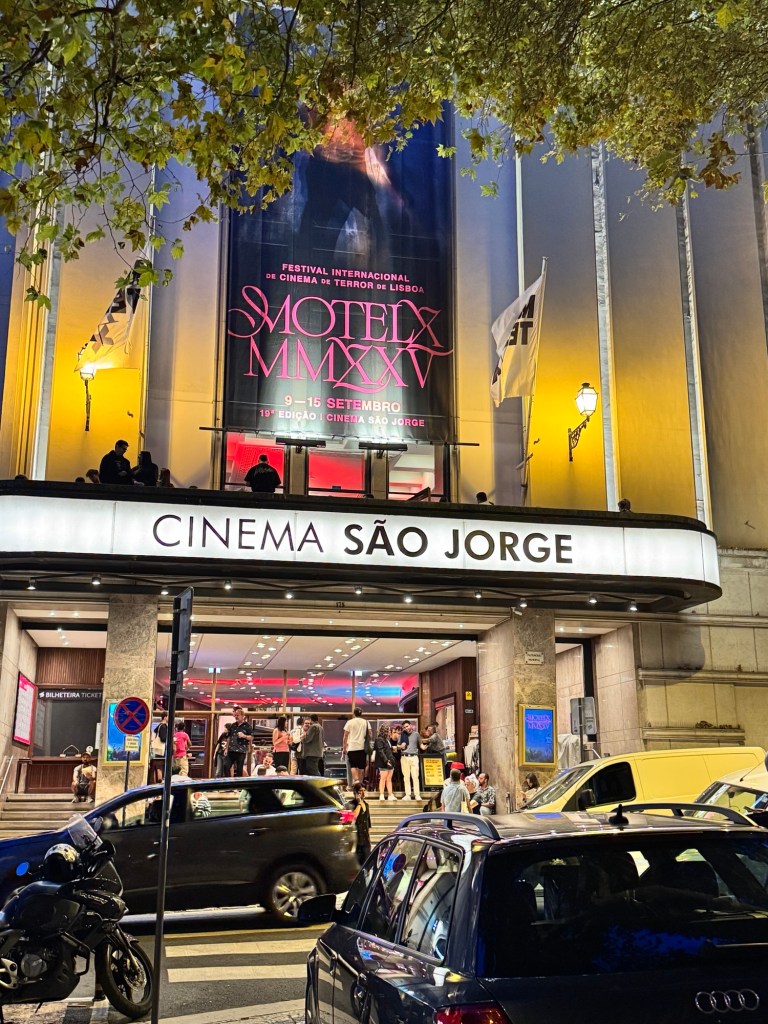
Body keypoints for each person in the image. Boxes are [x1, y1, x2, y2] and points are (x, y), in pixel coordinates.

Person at [343, 708, 371, 786]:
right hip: (362, 747)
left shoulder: (349, 722)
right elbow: (370, 734)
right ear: (361, 714)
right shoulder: (366, 722)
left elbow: (345, 736)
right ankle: (360, 783)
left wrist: (344, 748)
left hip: (352, 747)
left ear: (354, 714)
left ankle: (356, 781)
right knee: (361, 767)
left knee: (353, 766)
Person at [223, 706, 252, 777]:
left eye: (238, 715)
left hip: (241, 751)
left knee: (239, 769)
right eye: (235, 715)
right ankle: (228, 781)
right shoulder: (233, 725)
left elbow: (251, 737)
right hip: (231, 750)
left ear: (242, 716)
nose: (236, 717)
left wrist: (244, 736)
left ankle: (238, 783)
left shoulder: (248, 726)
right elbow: (229, 737)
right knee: (226, 765)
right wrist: (226, 748)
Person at [398, 720, 421, 801]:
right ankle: (408, 795)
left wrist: (426, 746)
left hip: (414, 757)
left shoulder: (416, 734)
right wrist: (401, 746)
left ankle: (417, 795)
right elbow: (398, 745)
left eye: (407, 726)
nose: (406, 728)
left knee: (415, 776)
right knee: (406, 777)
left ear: (410, 725)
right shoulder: (402, 735)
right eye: (404, 727)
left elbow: (420, 744)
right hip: (404, 756)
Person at [373, 723, 396, 800]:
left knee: (389, 779)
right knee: (383, 778)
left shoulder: (387, 740)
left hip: (390, 761)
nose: (390, 732)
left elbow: (388, 750)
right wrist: (386, 761)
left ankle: (390, 794)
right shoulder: (379, 739)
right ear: (385, 731)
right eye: (389, 730)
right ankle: (381, 794)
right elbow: (380, 751)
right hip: (384, 762)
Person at [352, 782, 372, 865]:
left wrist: (369, 839)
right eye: (360, 791)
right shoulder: (352, 804)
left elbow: (368, 822)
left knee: (366, 864)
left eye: (364, 790)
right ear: (356, 792)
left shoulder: (366, 805)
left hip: (365, 839)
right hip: (356, 839)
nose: (363, 793)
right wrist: (359, 803)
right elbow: (354, 817)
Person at [149, 713, 168, 783]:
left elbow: (155, 732)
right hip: (160, 750)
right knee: (160, 765)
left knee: (155, 765)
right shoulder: (163, 726)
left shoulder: (159, 725)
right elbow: (163, 739)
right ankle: (160, 779)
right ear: (165, 717)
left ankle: (154, 780)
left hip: (156, 749)